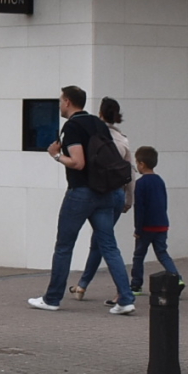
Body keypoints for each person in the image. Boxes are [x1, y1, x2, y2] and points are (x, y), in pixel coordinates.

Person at [29, 84, 134, 314]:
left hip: (81, 192)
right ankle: (126, 299)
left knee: (64, 246)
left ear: (67, 102)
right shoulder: (99, 124)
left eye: (60, 101)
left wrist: (56, 155)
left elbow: (78, 162)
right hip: (104, 192)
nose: (59, 105)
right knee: (109, 246)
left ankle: (52, 298)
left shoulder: (73, 126)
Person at [70, 97, 134, 302]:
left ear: (99, 113)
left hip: (96, 190)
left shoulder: (95, 135)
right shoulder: (122, 140)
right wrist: (128, 199)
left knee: (102, 242)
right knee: (103, 241)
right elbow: (130, 173)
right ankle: (86, 285)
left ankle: (88, 286)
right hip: (117, 193)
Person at [125, 146, 180, 293]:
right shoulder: (160, 181)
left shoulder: (141, 184)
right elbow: (164, 202)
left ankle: (136, 284)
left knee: (139, 255)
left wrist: (138, 229)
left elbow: (140, 209)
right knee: (162, 253)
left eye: (137, 163)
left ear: (141, 164)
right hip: (161, 225)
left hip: (146, 227)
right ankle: (176, 278)